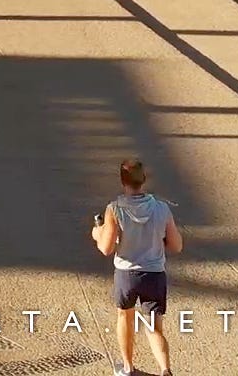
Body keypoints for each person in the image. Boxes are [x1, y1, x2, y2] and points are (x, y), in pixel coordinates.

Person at [91, 159, 183, 376]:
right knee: (154, 328)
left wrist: (97, 233)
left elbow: (106, 248)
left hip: (126, 274)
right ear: (144, 180)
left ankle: (128, 368)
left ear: (122, 181)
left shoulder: (114, 210)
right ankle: (165, 370)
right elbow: (176, 246)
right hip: (154, 275)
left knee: (125, 317)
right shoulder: (162, 208)